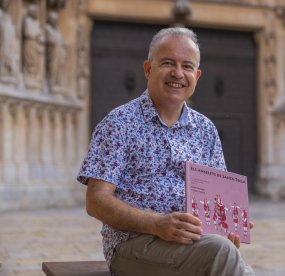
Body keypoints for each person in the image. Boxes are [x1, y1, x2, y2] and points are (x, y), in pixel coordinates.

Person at [77, 27, 254, 276]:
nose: (178, 73)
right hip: (134, 244)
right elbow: (96, 202)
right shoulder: (119, 123)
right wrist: (156, 224)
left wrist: (228, 226)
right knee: (222, 254)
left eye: (187, 66)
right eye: (168, 63)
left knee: (229, 255)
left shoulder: (205, 129)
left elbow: (217, 203)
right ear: (148, 69)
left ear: (197, 75)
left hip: (196, 243)